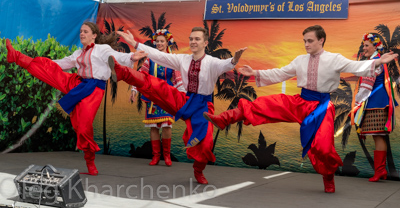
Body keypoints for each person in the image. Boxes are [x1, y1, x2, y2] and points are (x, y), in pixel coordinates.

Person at [202, 25, 398, 193]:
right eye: (304, 41)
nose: (306, 44)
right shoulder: (300, 60)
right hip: (301, 101)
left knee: (323, 147)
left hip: (322, 107)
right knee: (264, 104)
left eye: (310, 41)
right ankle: (225, 118)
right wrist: (255, 72)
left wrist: (379, 61)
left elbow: (355, 66)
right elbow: (280, 73)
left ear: (321, 40)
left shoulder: (334, 58)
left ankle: (328, 177)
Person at [108, 26, 247, 184]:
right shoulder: (183, 59)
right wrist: (135, 43)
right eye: (191, 39)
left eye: (197, 39)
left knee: (206, 143)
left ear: (205, 43)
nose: (193, 42)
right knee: (156, 86)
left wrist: (234, 60)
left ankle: (198, 170)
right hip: (185, 100)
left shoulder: (212, 62)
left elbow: (225, 65)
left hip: (202, 107)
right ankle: (121, 71)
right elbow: (158, 55)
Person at [5, 22, 146, 175]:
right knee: (50, 68)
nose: (82, 34)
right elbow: (61, 64)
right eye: (80, 31)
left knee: (83, 127)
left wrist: (132, 56)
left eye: (85, 31)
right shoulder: (78, 53)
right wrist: (47, 65)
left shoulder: (102, 49)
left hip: (94, 89)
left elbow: (117, 56)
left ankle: (91, 164)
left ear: (94, 35)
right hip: (77, 83)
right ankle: (16, 57)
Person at [130, 29, 185, 166]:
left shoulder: (173, 59)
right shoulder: (150, 59)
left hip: (167, 96)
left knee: (166, 127)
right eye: (157, 41)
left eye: (162, 41)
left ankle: (166, 156)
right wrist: (134, 89)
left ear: (167, 43)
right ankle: (156, 156)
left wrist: (182, 96)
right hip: (153, 96)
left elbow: (178, 78)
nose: (159, 43)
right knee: (153, 127)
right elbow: (141, 75)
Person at [351, 33, 397, 182]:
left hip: (376, 103)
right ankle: (381, 171)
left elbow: (366, 87)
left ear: (375, 46)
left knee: (378, 136)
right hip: (379, 102)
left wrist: (358, 102)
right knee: (378, 136)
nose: (364, 48)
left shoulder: (374, 62)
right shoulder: (377, 61)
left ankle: (380, 171)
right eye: (363, 45)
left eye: (366, 45)